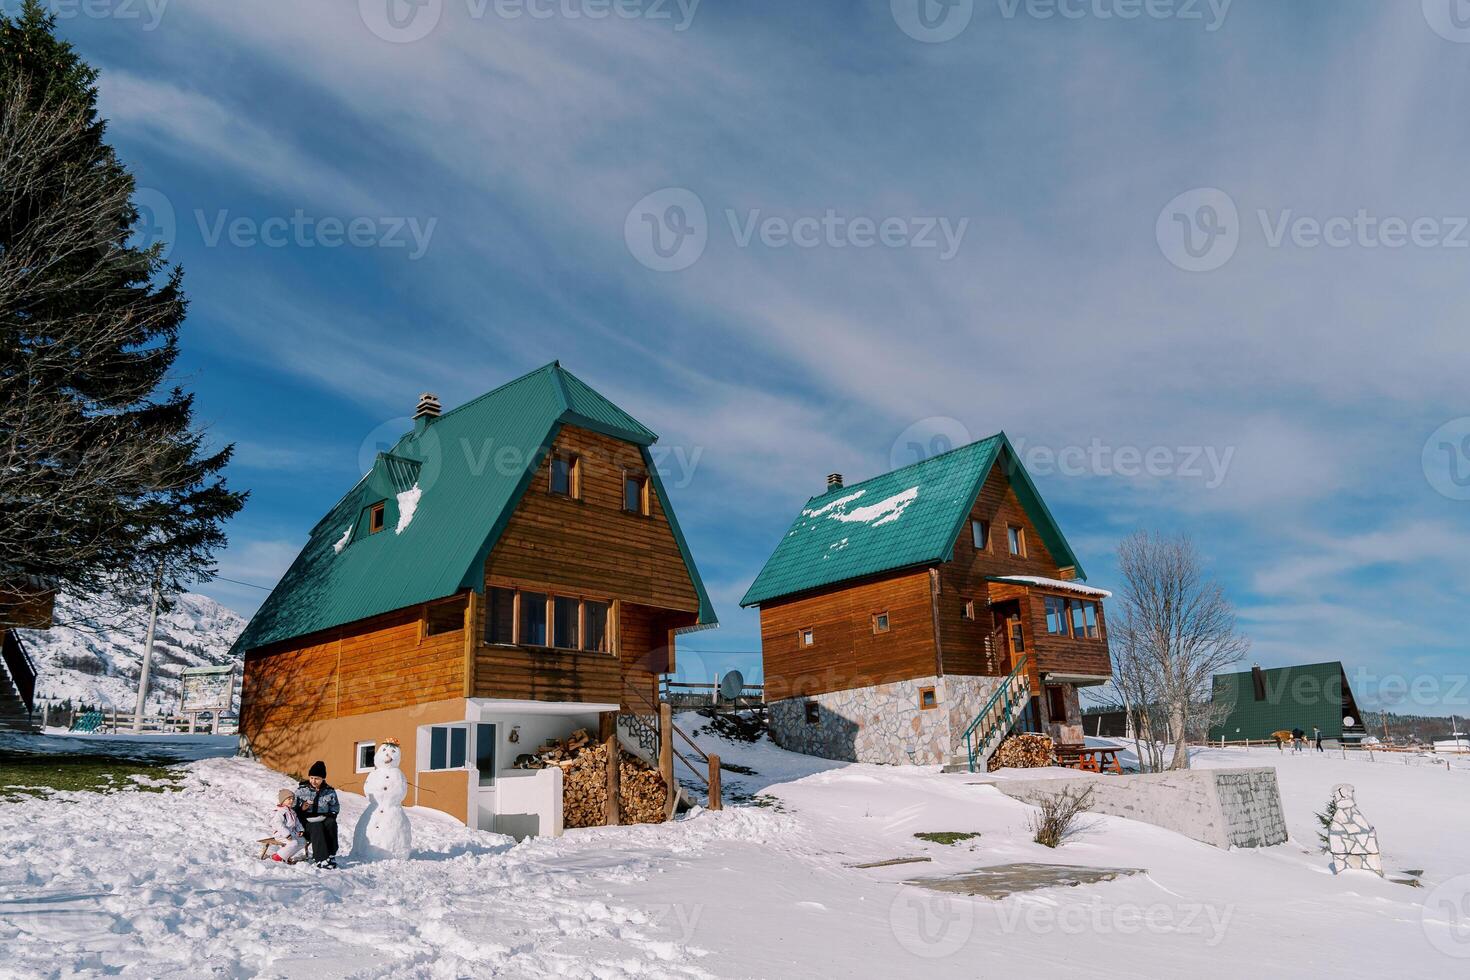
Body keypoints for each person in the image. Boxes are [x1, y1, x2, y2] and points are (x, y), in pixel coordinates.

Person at [295, 760, 341, 868]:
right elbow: (292, 808)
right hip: (305, 823)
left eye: (317, 778)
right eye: (311, 778)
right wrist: (302, 808)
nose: (313, 781)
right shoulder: (301, 790)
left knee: (331, 823)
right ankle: (321, 859)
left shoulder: (329, 791)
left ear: (323, 779)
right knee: (317, 826)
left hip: (323, 818)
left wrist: (331, 815)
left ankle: (331, 854)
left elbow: (335, 807)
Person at [269, 788, 307, 863]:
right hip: (280, 834)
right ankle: (276, 857)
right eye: (289, 799)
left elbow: (297, 822)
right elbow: (278, 824)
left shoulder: (292, 811)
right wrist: (286, 834)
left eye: (292, 799)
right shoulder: (280, 812)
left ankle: (286, 856)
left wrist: (300, 829)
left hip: (292, 833)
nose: (291, 801)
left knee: (302, 842)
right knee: (294, 843)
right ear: (283, 800)